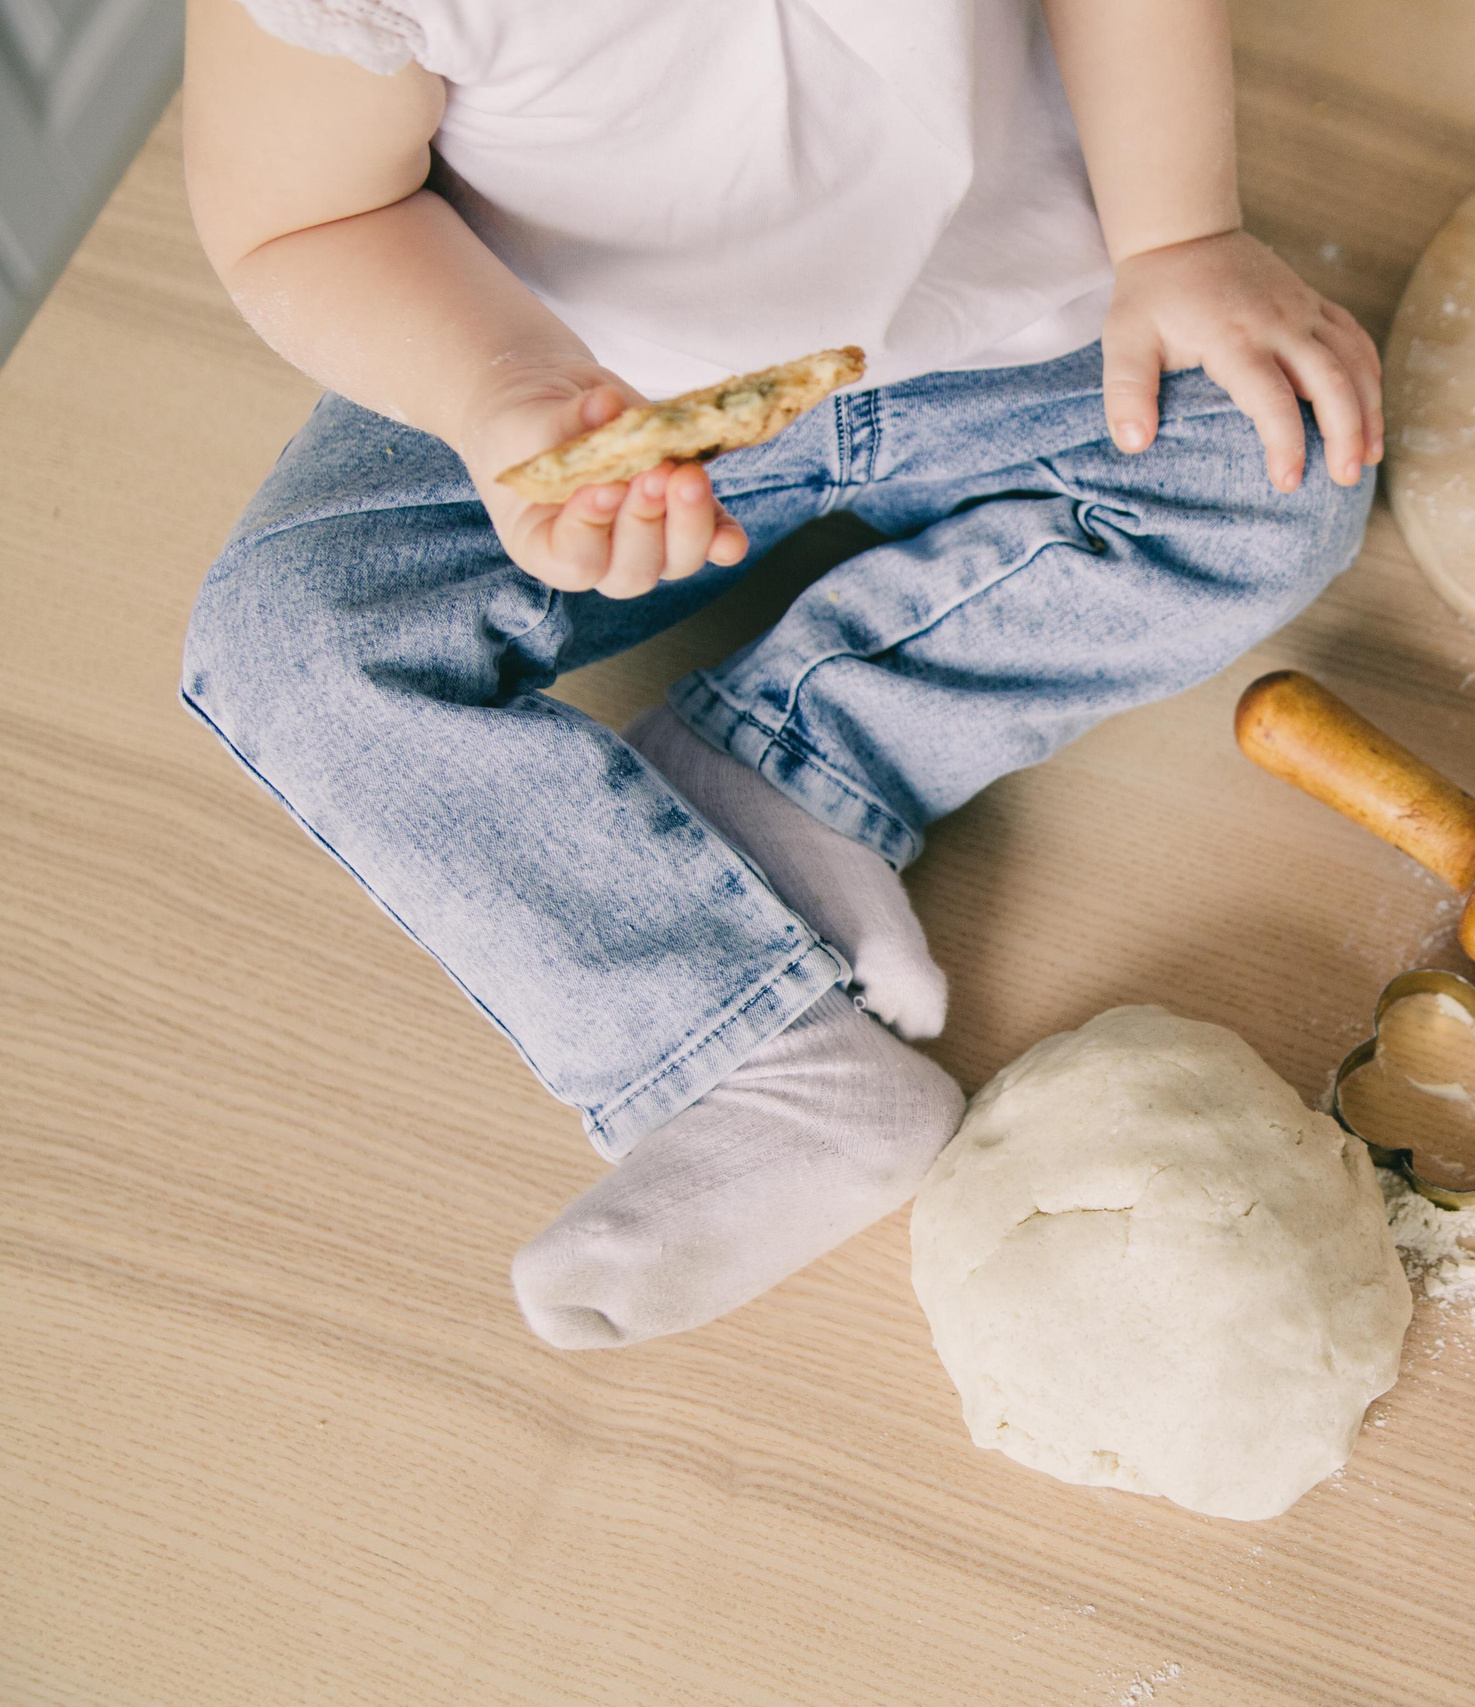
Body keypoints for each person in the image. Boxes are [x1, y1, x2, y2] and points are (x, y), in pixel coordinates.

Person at [177, 0, 1380, 1350]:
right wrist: (498, 389)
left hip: (1003, 332)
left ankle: (786, 769)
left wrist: (1180, 241)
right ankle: (760, 1059)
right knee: (293, 640)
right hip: (579, 375)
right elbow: (303, 220)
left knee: (1277, 458)